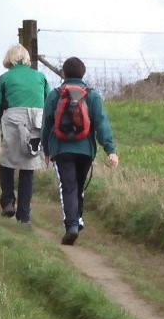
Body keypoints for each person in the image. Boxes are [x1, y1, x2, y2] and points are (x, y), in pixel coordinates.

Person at [40, 56, 118, 245]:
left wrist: (46, 150)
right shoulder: (92, 96)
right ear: (83, 74)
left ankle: (72, 225)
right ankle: (77, 219)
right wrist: (110, 150)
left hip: (61, 149)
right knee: (79, 187)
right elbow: (102, 124)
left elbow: (46, 125)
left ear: (63, 73)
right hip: (85, 151)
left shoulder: (55, 95)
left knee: (68, 186)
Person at [0, 43, 49, 223]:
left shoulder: (5, 78)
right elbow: (50, 105)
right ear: (26, 59)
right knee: (28, 168)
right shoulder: (41, 77)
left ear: (10, 59)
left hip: (14, 120)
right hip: (37, 122)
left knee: (7, 163)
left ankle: (7, 201)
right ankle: (24, 216)